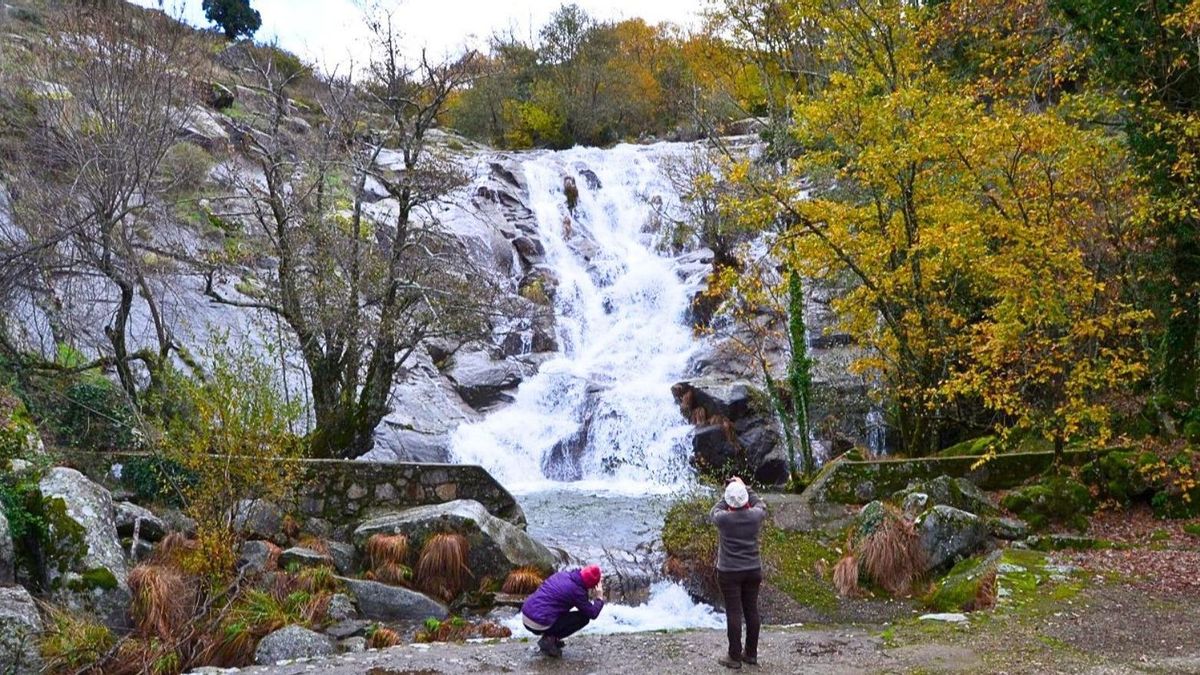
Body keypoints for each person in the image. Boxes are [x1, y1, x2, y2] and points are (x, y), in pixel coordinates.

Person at [711, 476, 767, 669]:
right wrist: (745, 487)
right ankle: (751, 653)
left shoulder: (723, 518)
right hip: (753, 569)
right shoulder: (755, 516)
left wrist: (728, 492)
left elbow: (715, 510)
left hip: (729, 572)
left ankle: (734, 656)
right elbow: (760, 503)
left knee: (734, 613)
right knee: (751, 610)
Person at [520, 563, 605, 658]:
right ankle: (549, 639)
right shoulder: (577, 591)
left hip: (525, 615)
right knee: (584, 618)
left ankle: (551, 638)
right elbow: (593, 613)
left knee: (557, 607)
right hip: (538, 623)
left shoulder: (563, 575)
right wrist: (599, 597)